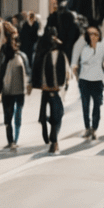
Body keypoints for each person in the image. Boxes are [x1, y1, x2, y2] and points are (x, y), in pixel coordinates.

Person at [31, 25, 71, 154]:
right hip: (52, 89)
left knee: (52, 114)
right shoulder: (52, 52)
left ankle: (52, 137)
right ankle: (54, 141)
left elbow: (36, 65)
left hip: (49, 88)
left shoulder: (44, 49)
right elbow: (66, 71)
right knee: (57, 114)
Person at [0, 22, 30, 151]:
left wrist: (29, 84)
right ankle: (11, 140)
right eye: (13, 40)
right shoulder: (4, 55)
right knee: (8, 118)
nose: (16, 42)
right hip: (7, 91)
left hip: (19, 91)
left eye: (16, 40)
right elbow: (0, 72)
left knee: (18, 116)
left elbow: (28, 72)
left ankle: (16, 139)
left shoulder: (21, 56)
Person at [70, 23, 104, 140]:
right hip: (85, 81)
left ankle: (94, 128)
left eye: (95, 34)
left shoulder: (102, 47)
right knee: (85, 105)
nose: (93, 36)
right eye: (90, 34)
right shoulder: (84, 48)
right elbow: (77, 61)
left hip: (97, 81)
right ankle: (87, 127)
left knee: (97, 105)